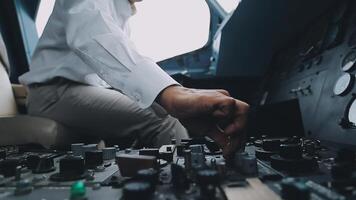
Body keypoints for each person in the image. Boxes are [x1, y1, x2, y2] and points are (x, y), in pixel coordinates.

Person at [19, 0, 249, 157]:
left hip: (73, 91)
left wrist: (168, 96)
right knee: (161, 120)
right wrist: (172, 94)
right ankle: (186, 185)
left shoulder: (120, 12)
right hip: (52, 93)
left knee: (159, 110)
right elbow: (92, 35)